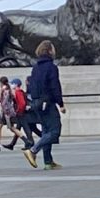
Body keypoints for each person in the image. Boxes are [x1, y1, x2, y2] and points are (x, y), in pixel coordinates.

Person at [24, 40, 66, 170]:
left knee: (46, 131)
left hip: (37, 102)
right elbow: (55, 86)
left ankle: (48, 161)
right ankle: (33, 150)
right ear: (49, 51)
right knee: (55, 131)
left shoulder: (35, 67)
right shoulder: (51, 67)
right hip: (47, 102)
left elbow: (31, 85)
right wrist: (61, 103)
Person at [0, 76, 27, 152]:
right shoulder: (9, 89)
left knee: (11, 128)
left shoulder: (4, 90)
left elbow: (2, 101)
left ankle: (26, 141)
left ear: (1, 83)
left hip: (6, 112)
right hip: (7, 112)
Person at [3, 78, 35, 150]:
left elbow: (22, 103)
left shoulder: (18, 92)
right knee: (18, 128)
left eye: (12, 83)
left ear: (16, 84)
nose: (11, 85)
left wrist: (18, 111)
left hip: (21, 113)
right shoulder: (19, 91)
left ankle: (30, 142)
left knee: (26, 128)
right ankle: (12, 144)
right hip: (21, 113)